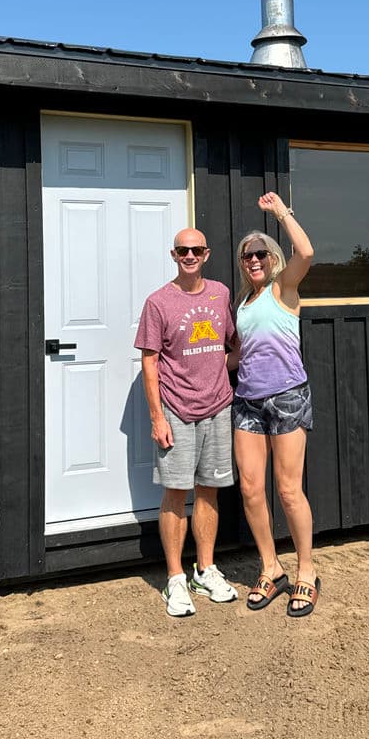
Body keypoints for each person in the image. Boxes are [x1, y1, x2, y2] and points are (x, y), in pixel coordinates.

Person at [135, 228, 239, 617]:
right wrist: (156, 416)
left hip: (218, 407)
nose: (190, 255)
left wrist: (220, 374)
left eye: (196, 250)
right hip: (176, 411)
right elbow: (150, 361)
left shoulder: (221, 293)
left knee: (210, 490)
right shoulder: (158, 302)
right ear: (174, 255)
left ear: (207, 254)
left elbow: (232, 342)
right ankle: (175, 578)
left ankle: (205, 569)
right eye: (183, 250)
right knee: (176, 492)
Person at [230, 193, 319, 618]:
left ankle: (306, 570)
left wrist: (281, 211)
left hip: (286, 397)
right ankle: (271, 567)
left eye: (260, 253)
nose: (253, 261)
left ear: (272, 258)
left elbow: (307, 251)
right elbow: (236, 355)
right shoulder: (242, 304)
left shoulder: (285, 288)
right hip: (246, 400)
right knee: (250, 490)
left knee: (287, 490)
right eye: (247, 256)